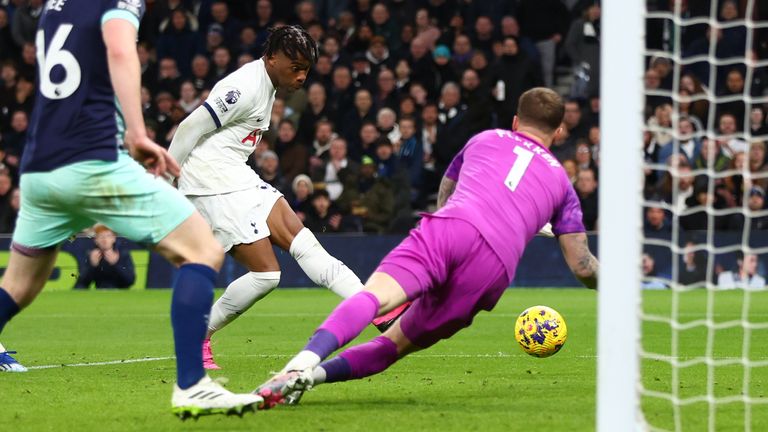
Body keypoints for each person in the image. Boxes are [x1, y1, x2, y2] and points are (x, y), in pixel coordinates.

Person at [254, 88, 599, 407]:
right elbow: (582, 266)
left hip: (452, 227)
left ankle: (300, 364)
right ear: (557, 134)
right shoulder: (561, 183)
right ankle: (310, 379)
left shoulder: (486, 139)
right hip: (492, 269)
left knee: (375, 297)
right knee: (393, 346)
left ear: (515, 122)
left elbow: (447, 191)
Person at [0, 0, 262, 416]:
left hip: (39, 170)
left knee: (18, 287)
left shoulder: (54, 8)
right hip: (92, 161)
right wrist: (137, 135)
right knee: (202, 251)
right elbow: (120, 49)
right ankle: (193, 385)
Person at [168, 25, 406, 371]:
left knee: (304, 241)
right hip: (208, 183)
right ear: (272, 57)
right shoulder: (244, 87)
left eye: (306, 69)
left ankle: (376, 308)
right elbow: (190, 127)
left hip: (236, 175)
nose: (302, 77)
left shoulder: (268, 86)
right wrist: (168, 179)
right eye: (295, 67)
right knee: (267, 276)